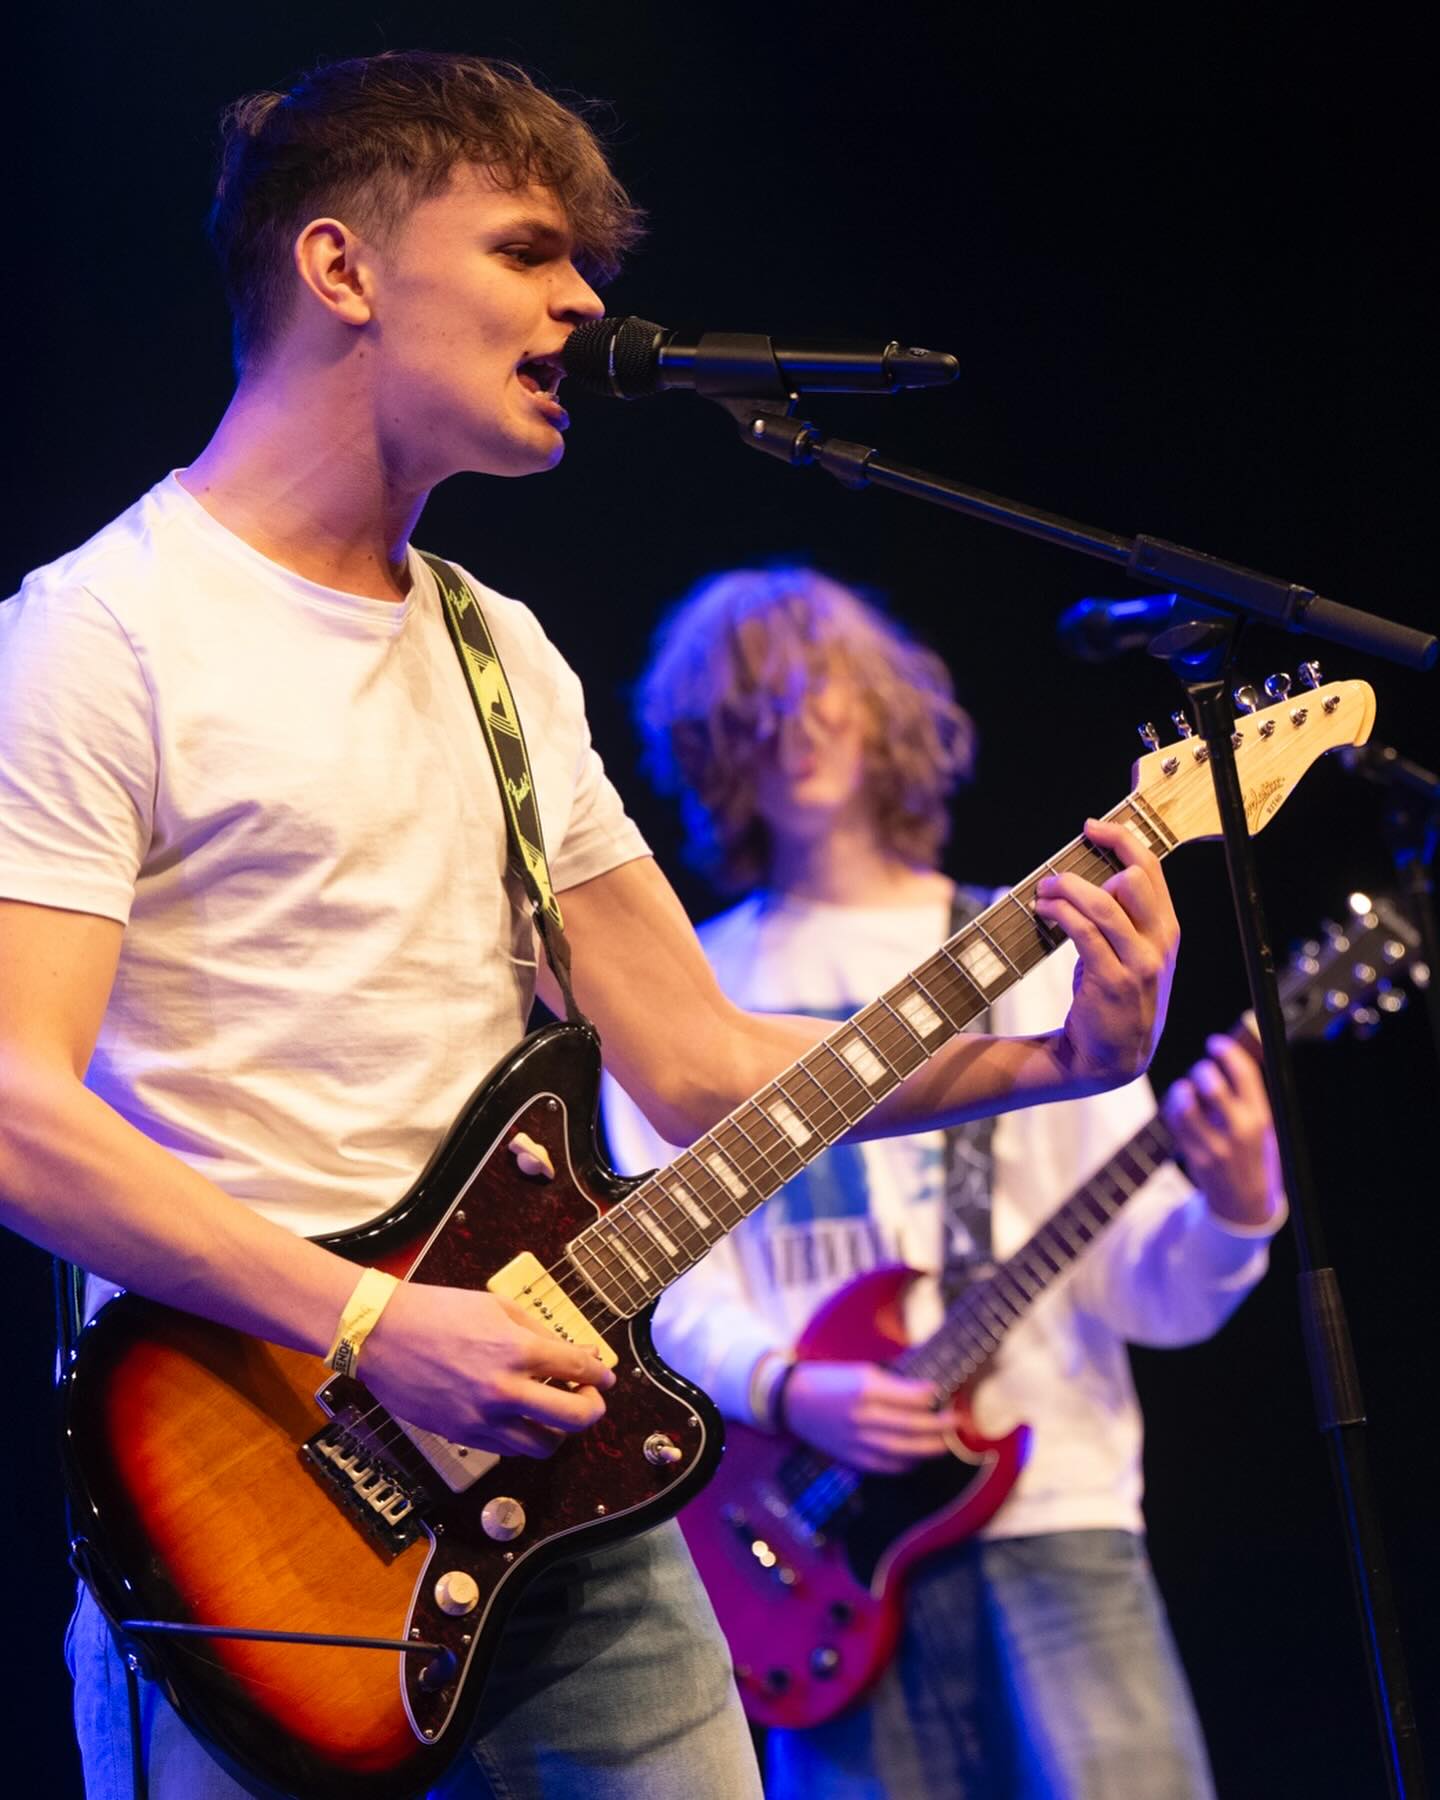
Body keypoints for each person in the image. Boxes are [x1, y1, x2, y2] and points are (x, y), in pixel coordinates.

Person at [0, 53, 1183, 1800]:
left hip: (566, 1471)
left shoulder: (503, 655)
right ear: (340, 270)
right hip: (250, 1509)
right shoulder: (99, 635)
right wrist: (369, 1324)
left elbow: (703, 1070)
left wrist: (1053, 1058)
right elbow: (20, 1111)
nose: (584, 302)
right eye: (530, 251)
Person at [602, 566, 1286, 1799]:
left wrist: (1238, 1214)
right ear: (711, 749)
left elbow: (1144, 1288)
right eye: (754, 709)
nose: (795, 727)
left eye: (819, 693)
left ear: (885, 708)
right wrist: (790, 1388)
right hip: (795, 1553)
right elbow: (661, 1281)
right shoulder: (686, 993)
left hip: (1055, 1514)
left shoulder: (1021, 939)